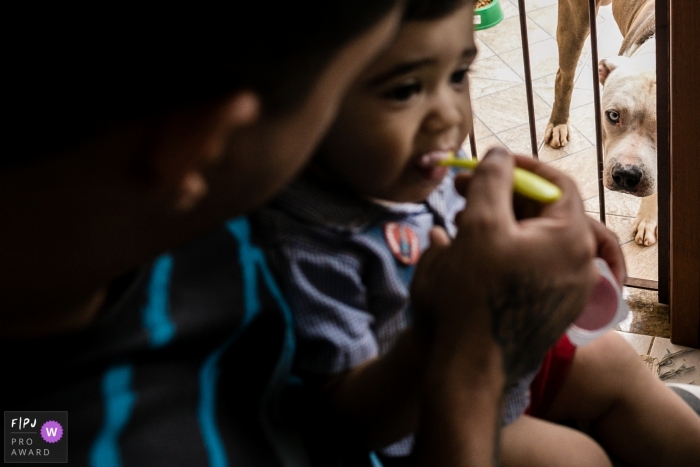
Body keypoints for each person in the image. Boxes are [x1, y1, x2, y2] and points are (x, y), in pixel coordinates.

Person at [1, 2, 615, 467]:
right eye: (342, 90)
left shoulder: (174, 220)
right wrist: (470, 349)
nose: (448, 118)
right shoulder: (84, 438)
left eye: (459, 75)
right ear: (206, 142)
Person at [254, 0, 700, 466]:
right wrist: (449, 328)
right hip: (429, 415)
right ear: (295, 102)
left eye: (457, 75)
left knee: (615, 362)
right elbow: (354, 423)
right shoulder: (304, 247)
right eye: (406, 89)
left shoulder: (408, 172)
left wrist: (548, 232)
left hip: (502, 358)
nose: (450, 115)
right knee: (577, 457)